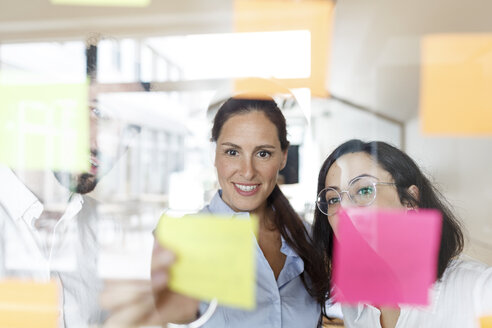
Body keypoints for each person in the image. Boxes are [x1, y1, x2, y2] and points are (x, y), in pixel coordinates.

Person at [151, 96, 329, 327]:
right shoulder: (177, 238)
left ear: (283, 157)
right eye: (232, 152)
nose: (247, 172)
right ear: (215, 154)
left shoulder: (308, 238)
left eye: (263, 153)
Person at [312, 139, 492, 328]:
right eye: (333, 199)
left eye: (364, 190)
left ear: (410, 200)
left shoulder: (481, 292)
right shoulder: (355, 307)